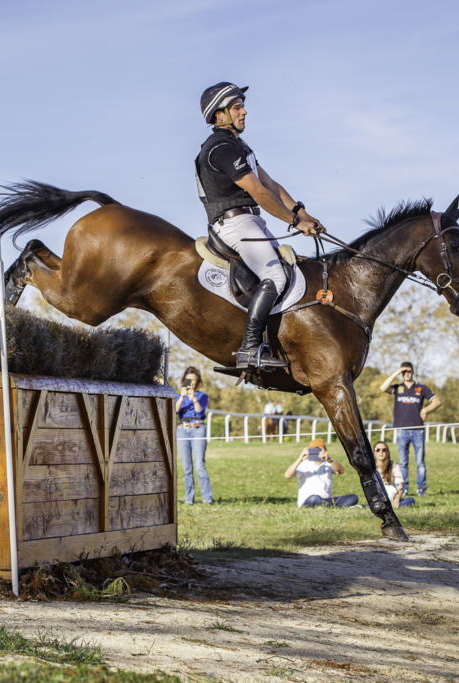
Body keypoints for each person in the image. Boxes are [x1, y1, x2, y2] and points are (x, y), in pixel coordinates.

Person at [196, 82, 325, 369]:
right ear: (219, 115)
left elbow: (271, 184)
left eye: (242, 105)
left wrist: (301, 212)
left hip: (251, 220)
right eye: (237, 107)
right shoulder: (221, 149)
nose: (244, 112)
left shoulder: (238, 146)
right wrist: (295, 222)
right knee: (277, 279)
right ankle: (249, 349)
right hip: (234, 223)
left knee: (292, 272)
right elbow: (259, 193)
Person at [378, 362, 441, 496]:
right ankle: (404, 488)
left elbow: (437, 401)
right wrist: (396, 372)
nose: (407, 373)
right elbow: (383, 388)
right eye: (404, 371)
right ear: (401, 373)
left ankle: (421, 489)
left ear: (413, 372)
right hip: (402, 430)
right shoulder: (397, 388)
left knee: (420, 462)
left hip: (418, 430)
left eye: (409, 371)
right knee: (403, 463)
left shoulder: (421, 388)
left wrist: (425, 409)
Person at [284, 438, 359, 508]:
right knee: (315, 498)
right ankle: (331, 506)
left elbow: (341, 471)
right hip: (309, 500)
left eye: (319, 450)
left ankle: (326, 506)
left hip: (326, 500)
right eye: (314, 450)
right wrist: (300, 459)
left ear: (325, 450)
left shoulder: (329, 462)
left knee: (353, 497)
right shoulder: (304, 463)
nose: (317, 453)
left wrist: (329, 459)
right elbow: (288, 475)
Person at [176, 366, 212, 505]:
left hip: (197, 429)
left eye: (194, 380)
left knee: (199, 466)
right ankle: (189, 499)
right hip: (182, 430)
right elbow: (175, 410)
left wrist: (193, 397)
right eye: (188, 380)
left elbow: (199, 411)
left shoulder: (202, 396)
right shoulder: (180, 396)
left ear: (197, 382)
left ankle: (207, 499)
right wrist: (183, 397)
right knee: (186, 468)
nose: (191, 383)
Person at [372, 441, 415, 508]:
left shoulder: (394, 466)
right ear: (374, 453)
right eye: (377, 450)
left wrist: (397, 500)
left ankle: (391, 505)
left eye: (384, 450)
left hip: (392, 495)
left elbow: (399, 487)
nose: (381, 452)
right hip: (377, 498)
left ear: (387, 452)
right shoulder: (371, 468)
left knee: (411, 500)